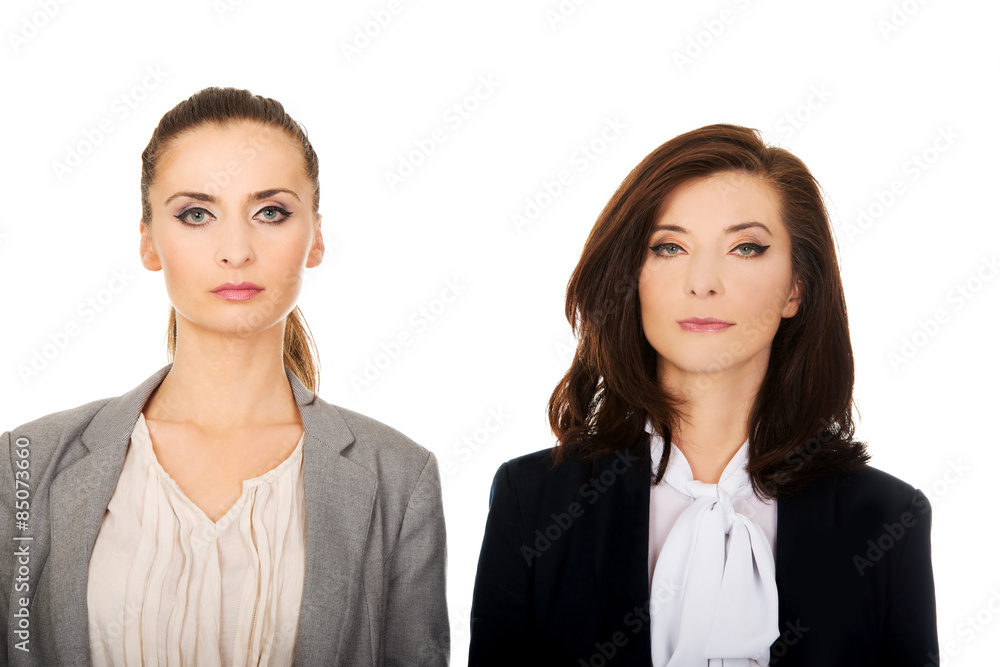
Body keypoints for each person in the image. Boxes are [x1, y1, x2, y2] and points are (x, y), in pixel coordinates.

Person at [0, 87, 449, 666]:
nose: (236, 251)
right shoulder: (24, 463)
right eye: (196, 214)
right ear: (148, 241)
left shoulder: (400, 478)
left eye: (271, 212)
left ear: (315, 237)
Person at [468, 124, 938, 665]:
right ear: (632, 277)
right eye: (669, 247)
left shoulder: (887, 517)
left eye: (745, 248)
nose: (702, 282)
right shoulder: (534, 500)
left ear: (796, 288)